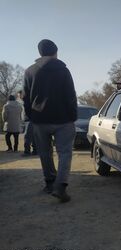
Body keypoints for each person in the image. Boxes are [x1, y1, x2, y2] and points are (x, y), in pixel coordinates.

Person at [23, 39, 77, 202]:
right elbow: (71, 96)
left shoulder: (30, 71)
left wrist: (31, 116)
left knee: (45, 153)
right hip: (63, 119)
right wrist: (73, 116)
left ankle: (49, 183)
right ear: (55, 52)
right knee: (65, 153)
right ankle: (60, 186)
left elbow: (26, 98)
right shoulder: (64, 70)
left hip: (40, 119)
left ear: (40, 53)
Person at [17, 90, 37, 155]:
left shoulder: (26, 101)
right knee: (33, 136)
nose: (19, 96)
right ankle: (35, 150)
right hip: (28, 120)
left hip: (29, 120)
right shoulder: (21, 102)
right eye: (18, 95)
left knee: (28, 136)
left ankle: (27, 151)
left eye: (20, 95)